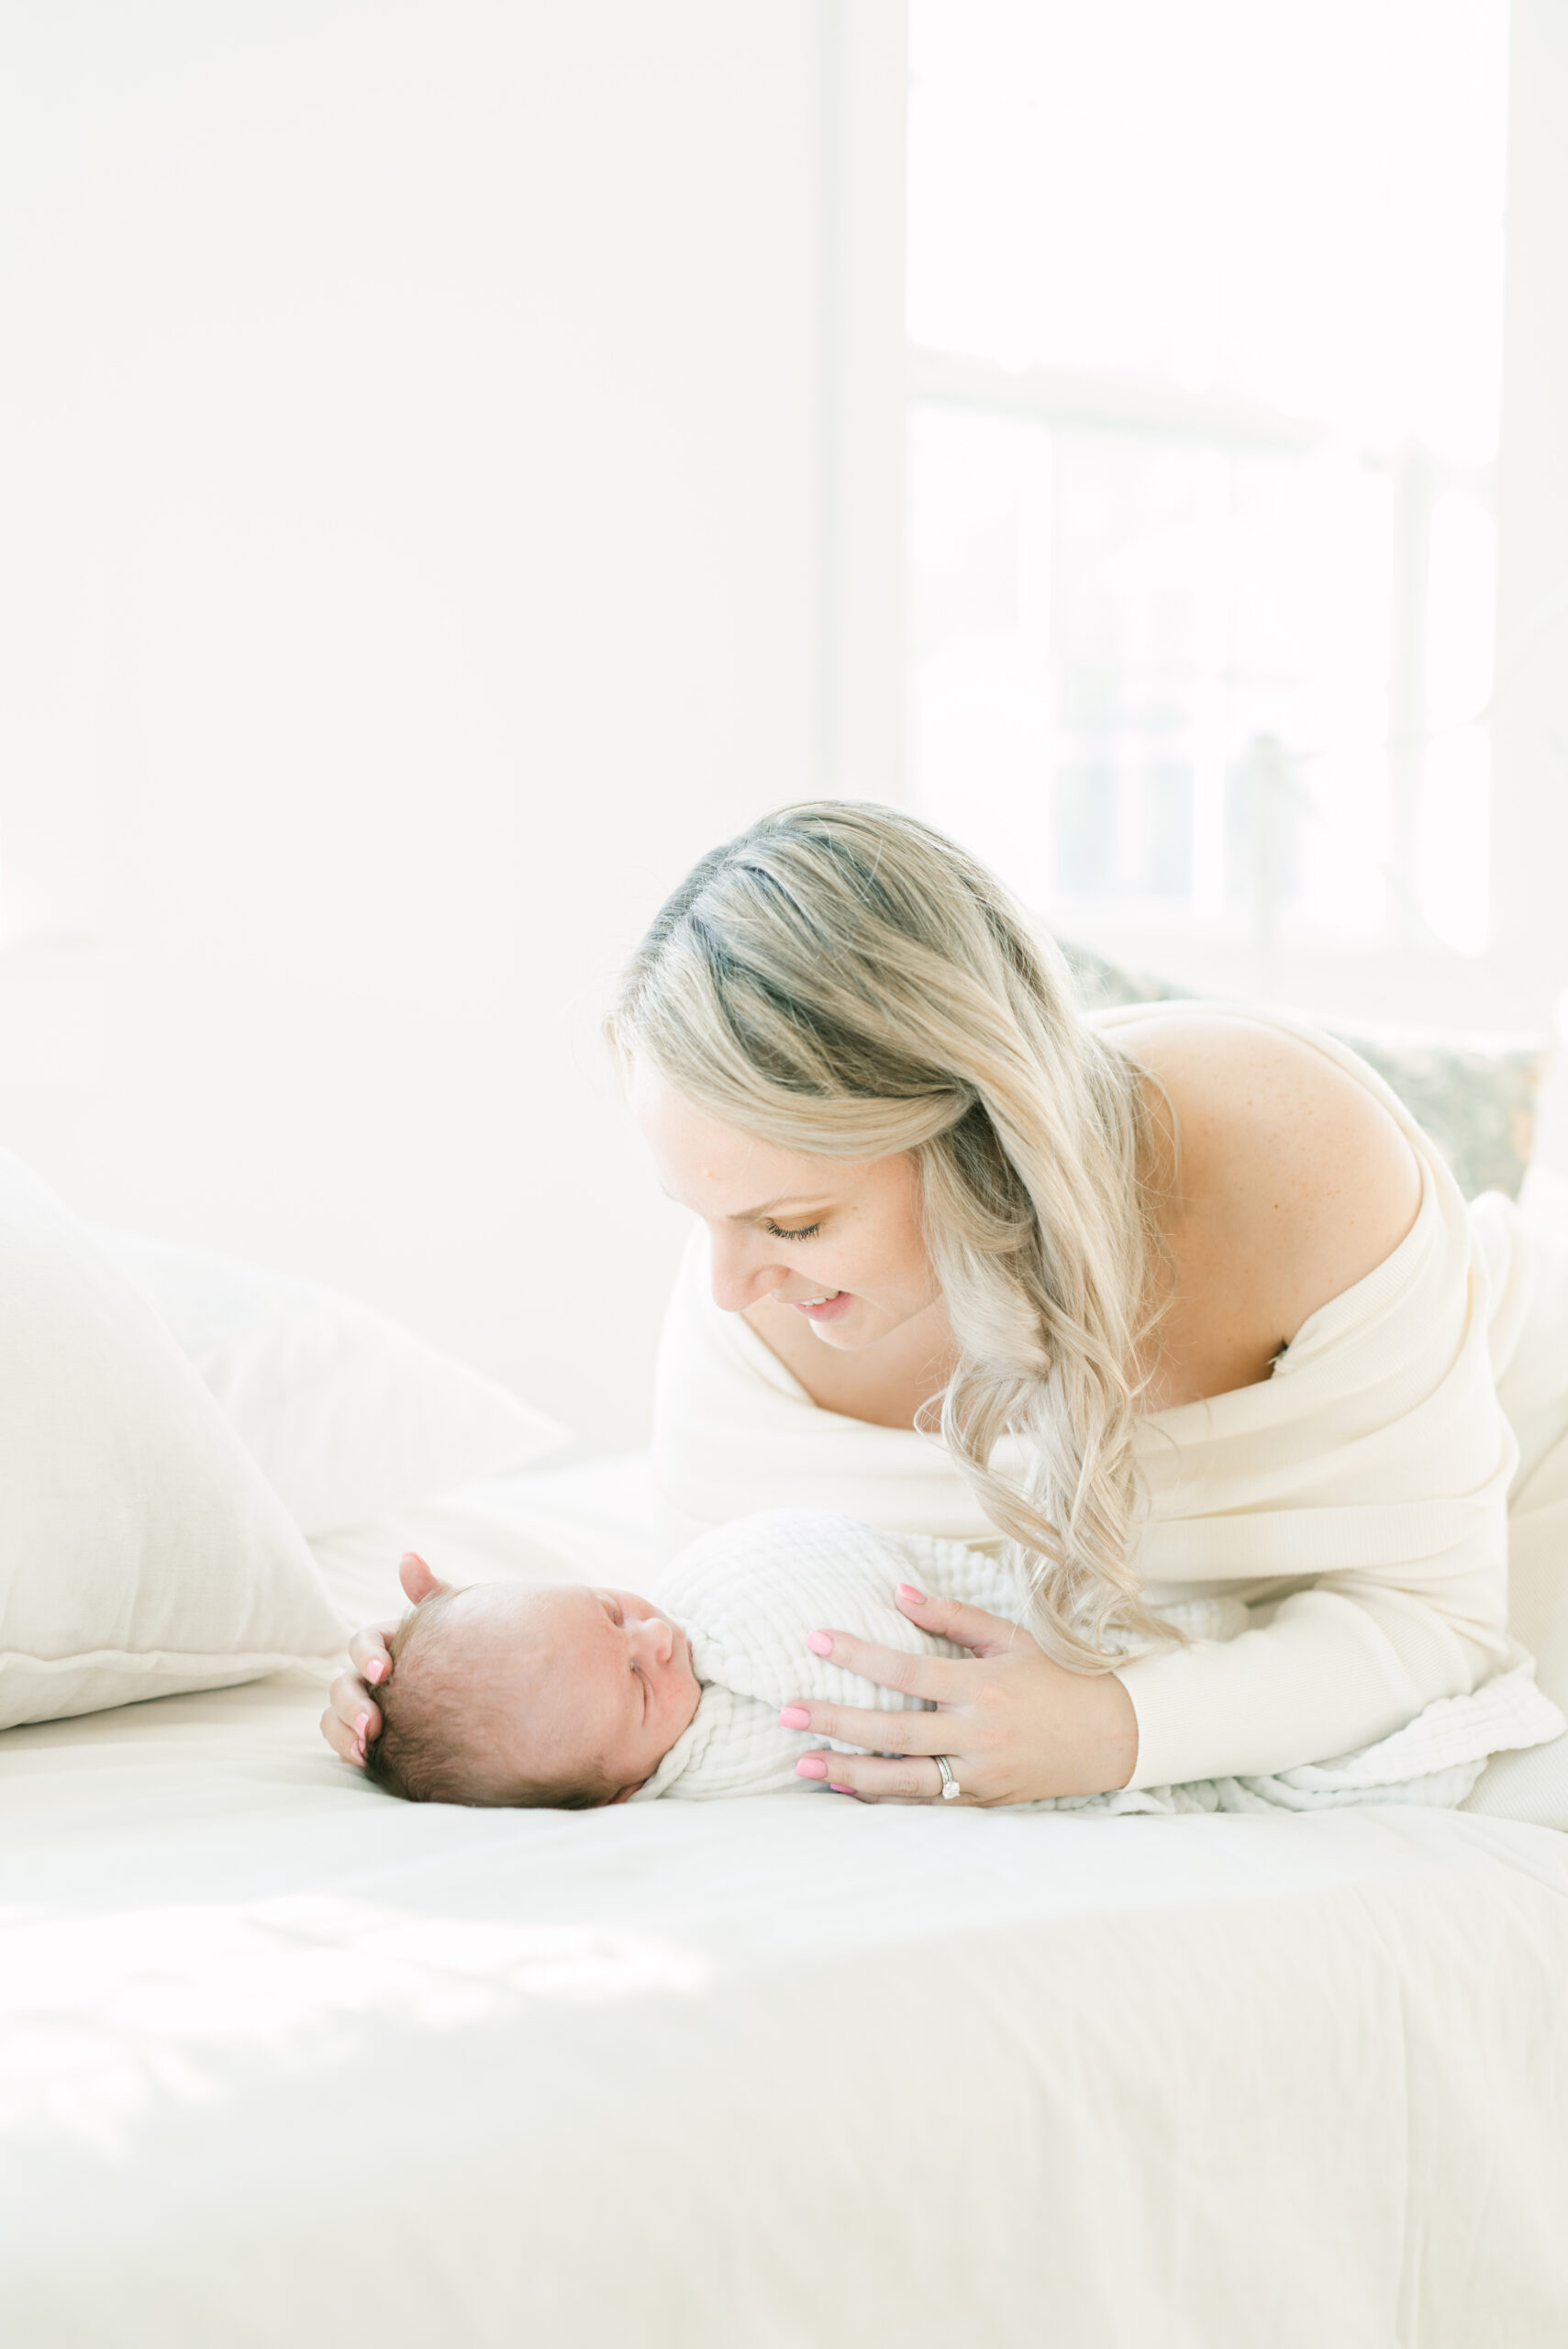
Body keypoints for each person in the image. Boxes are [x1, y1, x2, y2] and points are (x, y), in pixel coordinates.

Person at [323, 801, 1560, 1805]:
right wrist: (443, 1696)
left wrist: (1120, 1730)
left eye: (793, 1225)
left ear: (983, 1137)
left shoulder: (1288, 1147)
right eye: (700, 1214)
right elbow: (700, 1652)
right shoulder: (746, 1340)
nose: (729, 1286)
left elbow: (1437, 1619)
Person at [359, 1512, 1023, 1809]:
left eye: (609, 1610)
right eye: (637, 1684)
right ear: (620, 1790)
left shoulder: (684, 1608)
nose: (656, 1638)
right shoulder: (724, 1755)